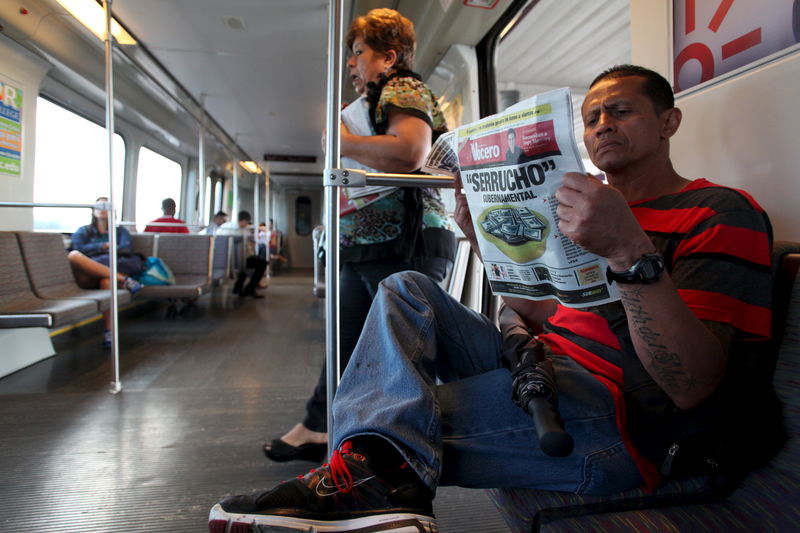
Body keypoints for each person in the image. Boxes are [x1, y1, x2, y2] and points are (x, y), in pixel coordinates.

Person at [209, 65, 778, 532]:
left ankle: (368, 476)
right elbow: (541, 313)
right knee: (406, 287)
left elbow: (690, 386)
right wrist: (485, 244)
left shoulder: (718, 211)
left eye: (622, 110)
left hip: (623, 423)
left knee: (385, 426)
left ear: (668, 122)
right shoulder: (579, 207)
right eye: (593, 116)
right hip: (546, 367)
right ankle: (373, 474)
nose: (603, 124)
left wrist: (628, 249)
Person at [261, 8, 457, 464]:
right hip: (369, 244)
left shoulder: (403, 86)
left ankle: (402, 453)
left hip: (405, 241)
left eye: (358, 53)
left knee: (400, 356)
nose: (351, 64)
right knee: (346, 341)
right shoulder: (371, 104)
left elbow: (410, 151)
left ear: (388, 57)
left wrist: (341, 143)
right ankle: (318, 425)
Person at [68, 197, 143, 347]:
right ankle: (124, 280)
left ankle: (109, 332)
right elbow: (78, 248)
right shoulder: (83, 231)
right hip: (88, 274)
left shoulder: (120, 231)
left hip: (109, 266)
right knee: (74, 256)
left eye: (106, 205)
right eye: (99, 206)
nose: (102, 208)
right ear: (93, 210)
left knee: (106, 282)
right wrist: (104, 246)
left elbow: (125, 249)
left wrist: (97, 252)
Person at [217, 210, 267, 298]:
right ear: (243, 221)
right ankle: (248, 289)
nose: (247, 224)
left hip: (238, 257)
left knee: (258, 261)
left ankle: (241, 288)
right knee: (261, 264)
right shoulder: (231, 229)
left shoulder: (239, 228)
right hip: (232, 259)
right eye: (247, 222)